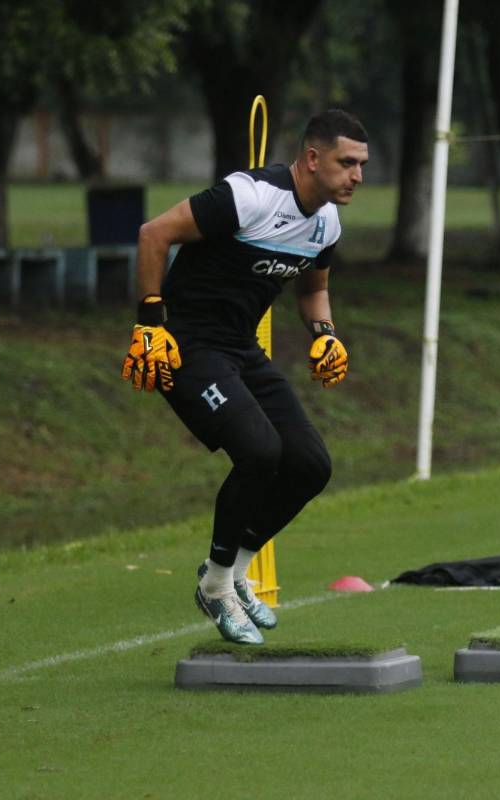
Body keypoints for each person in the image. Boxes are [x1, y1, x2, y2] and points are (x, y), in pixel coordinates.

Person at [121, 109, 368, 644]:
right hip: (185, 344)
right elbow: (152, 235)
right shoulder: (250, 196)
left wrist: (324, 333)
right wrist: (149, 325)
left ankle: (233, 574)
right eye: (347, 162)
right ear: (311, 158)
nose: (357, 176)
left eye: (362, 165)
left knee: (309, 465)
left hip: (240, 349)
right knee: (259, 452)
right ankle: (214, 587)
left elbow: (312, 289)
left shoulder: (326, 221)